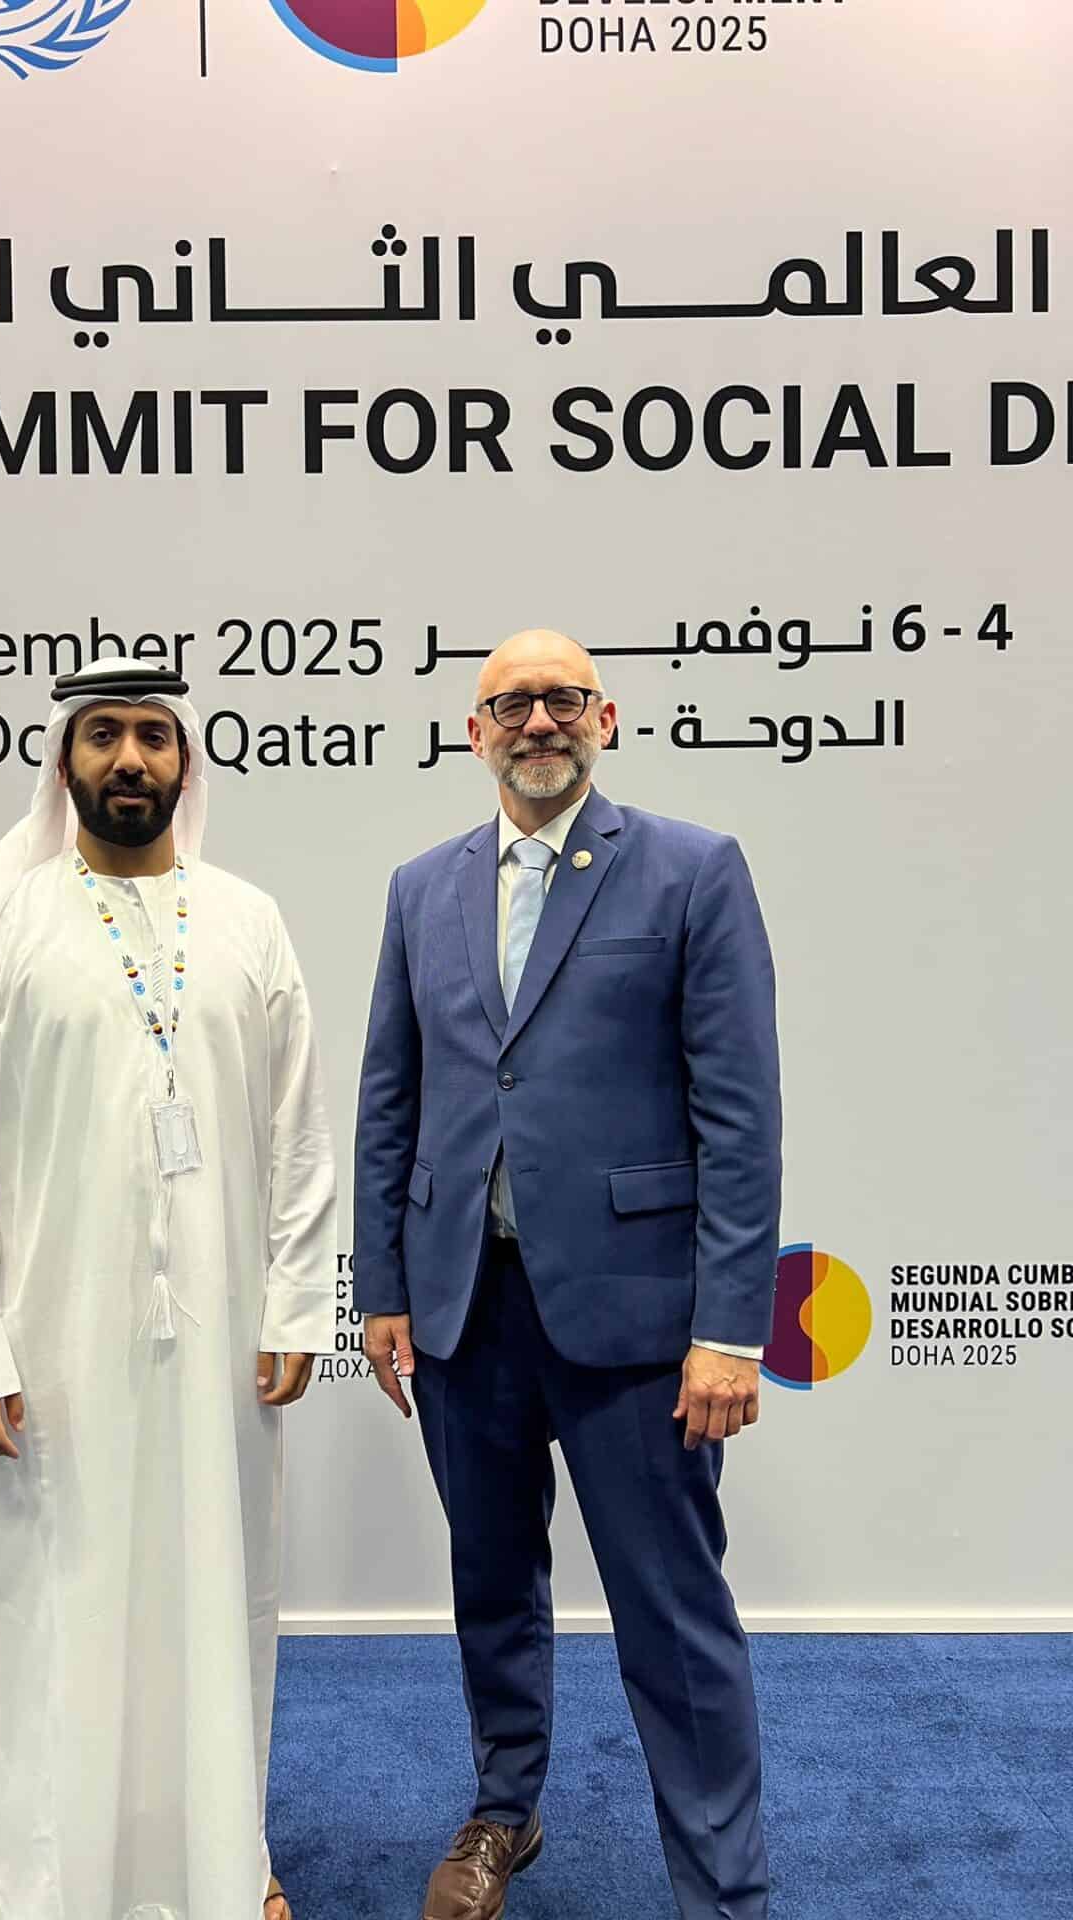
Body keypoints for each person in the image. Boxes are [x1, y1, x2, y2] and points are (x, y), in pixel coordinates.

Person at [353, 630, 780, 1920]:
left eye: (559, 699)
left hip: (640, 1321)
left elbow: (740, 1117)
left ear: (605, 715)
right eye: (508, 704)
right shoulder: (421, 887)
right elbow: (391, 1097)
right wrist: (382, 1288)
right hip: (462, 1307)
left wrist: (731, 1331)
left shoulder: (693, 871)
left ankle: (721, 1887)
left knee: (672, 1613)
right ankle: (503, 1812)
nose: (536, 721)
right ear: (474, 733)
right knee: (490, 1582)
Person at [0, 658, 336, 1920]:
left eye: (154, 737)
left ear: (185, 763)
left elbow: (301, 1131)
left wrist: (295, 1302)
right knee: (61, 1608)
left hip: (216, 1341)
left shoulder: (250, 919)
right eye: (105, 737)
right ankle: (55, 1887)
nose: (131, 761)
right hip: (52, 1343)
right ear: (65, 761)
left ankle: (218, 1865)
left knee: (215, 1601)